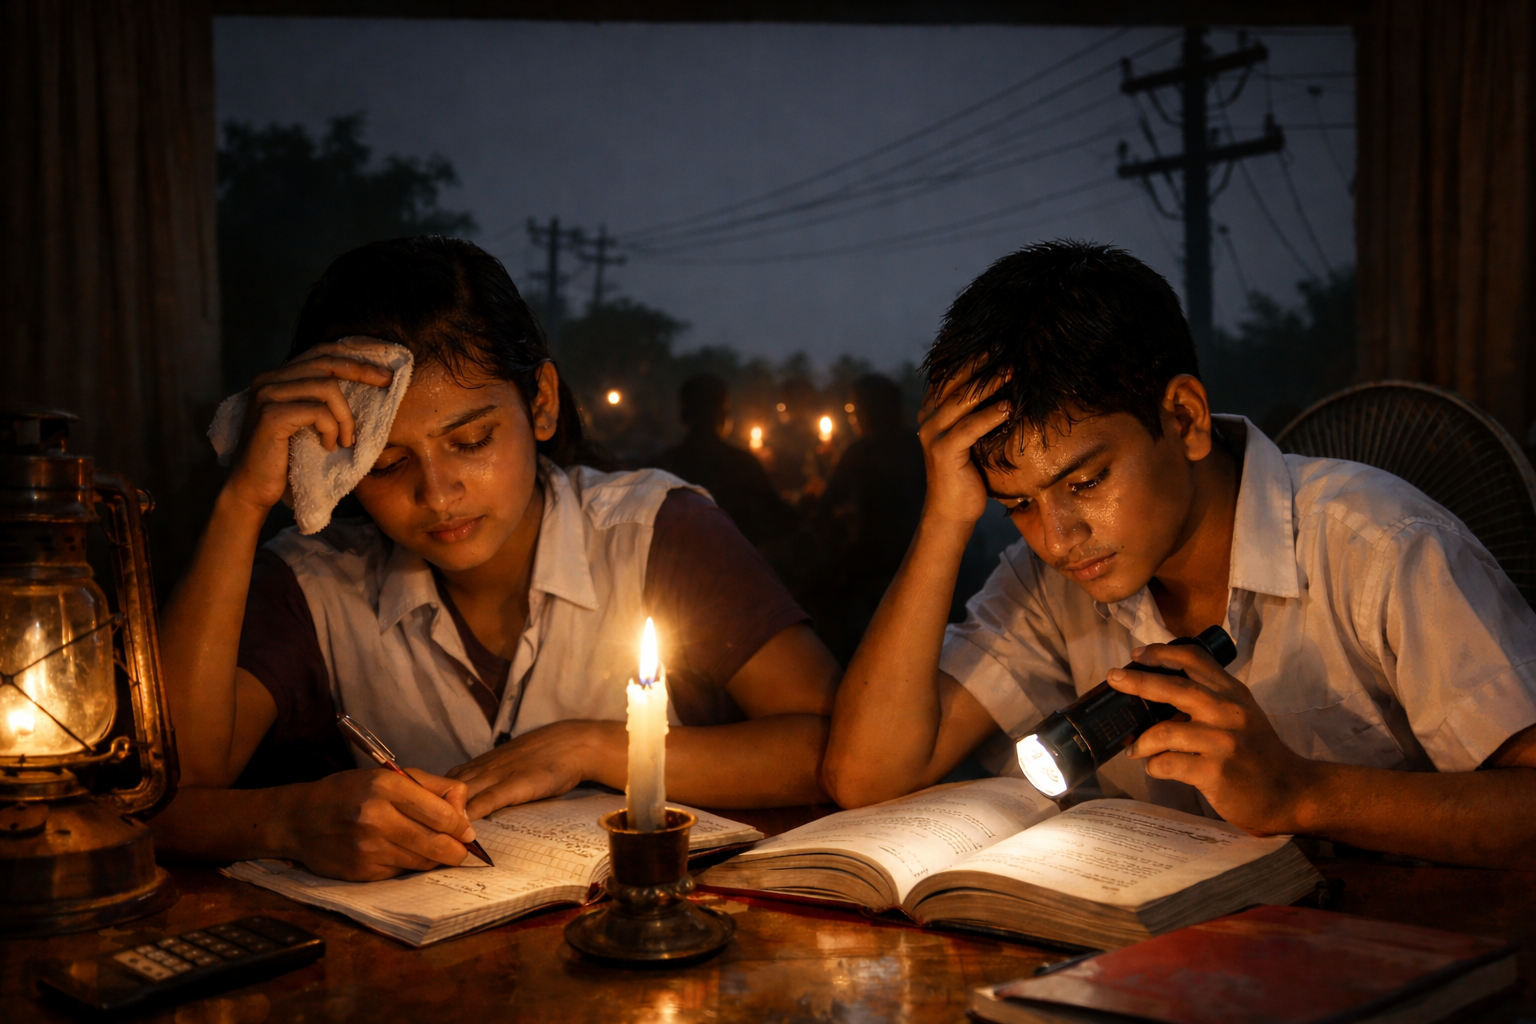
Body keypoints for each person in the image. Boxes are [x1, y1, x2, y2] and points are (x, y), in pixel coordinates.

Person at [822, 240, 1536, 869]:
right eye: (1019, 505)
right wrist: (946, 519)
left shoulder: (1382, 547)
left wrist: (1305, 793)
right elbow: (865, 776)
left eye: (1086, 481)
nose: (1058, 537)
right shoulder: (1047, 584)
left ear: (1186, 418)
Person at [152, 236, 840, 881]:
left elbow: (833, 749)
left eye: (472, 440)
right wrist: (242, 500)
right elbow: (165, 794)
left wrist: (592, 747)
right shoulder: (314, 584)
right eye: (388, 464)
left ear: (539, 404)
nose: (438, 491)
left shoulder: (655, 533)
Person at [812, 374, 926, 662]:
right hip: (920, 553)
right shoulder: (919, 446)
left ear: (868, 410)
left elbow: (825, 506)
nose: (853, 418)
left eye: (853, 410)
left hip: (872, 562)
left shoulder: (859, 450)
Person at [651, 373, 798, 548]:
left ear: (683, 416)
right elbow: (780, 517)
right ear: (723, 416)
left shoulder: (662, 467)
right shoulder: (743, 465)